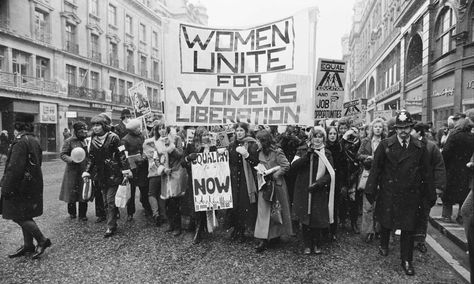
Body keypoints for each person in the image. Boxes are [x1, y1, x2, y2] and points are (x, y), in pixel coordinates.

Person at [365, 110, 435, 276]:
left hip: (410, 194)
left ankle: (407, 260)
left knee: (408, 228)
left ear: (411, 128)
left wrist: (430, 194)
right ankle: (384, 244)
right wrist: (371, 189)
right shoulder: (385, 145)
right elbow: (376, 169)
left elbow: (427, 173)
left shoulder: (419, 147)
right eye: (400, 128)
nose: (403, 131)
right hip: (390, 192)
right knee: (386, 221)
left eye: (406, 128)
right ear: (395, 129)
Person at [1, 121, 51, 259]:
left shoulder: (20, 142)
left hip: (19, 187)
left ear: (16, 129)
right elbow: (38, 162)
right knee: (25, 214)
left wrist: (6, 186)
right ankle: (28, 245)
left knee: (17, 215)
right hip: (31, 184)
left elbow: (14, 168)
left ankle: (41, 240)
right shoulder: (34, 140)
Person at [83, 113, 131, 238]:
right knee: (105, 202)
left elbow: (122, 154)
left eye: (98, 125)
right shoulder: (92, 140)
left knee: (110, 201)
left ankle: (110, 226)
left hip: (114, 173)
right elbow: (91, 158)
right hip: (101, 175)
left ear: (104, 125)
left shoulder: (114, 137)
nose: (95, 127)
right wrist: (87, 171)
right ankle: (112, 222)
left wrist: (125, 170)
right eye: (93, 125)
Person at [291, 126, 335, 254]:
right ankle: (307, 244)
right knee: (306, 217)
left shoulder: (327, 153)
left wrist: (318, 184)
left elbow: (330, 173)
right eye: (315, 136)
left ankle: (317, 243)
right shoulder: (302, 150)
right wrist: (306, 156)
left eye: (320, 136)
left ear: (323, 138)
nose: (317, 139)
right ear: (311, 137)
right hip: (304, 188)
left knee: (317, 217)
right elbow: (293, 166)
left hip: (318, 189)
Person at [254, 130, 292, 253]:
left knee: (276, 211)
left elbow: (286, 165)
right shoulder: (259, 152)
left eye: (258, 141)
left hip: (277, 185)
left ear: (264, 141)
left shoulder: (277, 152)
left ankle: (275, 235)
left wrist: (276, 175)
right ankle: (263, 239)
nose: (256, 143)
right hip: (265, 185)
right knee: (263, 212)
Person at [411, 122, 446, 253]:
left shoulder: (431, 147)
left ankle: (420, 240)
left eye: (412, 130)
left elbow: (439, 167)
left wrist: (438, 187)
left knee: (424, 214)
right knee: (410, 213)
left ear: (419, 132)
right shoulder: (407, 145)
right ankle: (409, 238)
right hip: (411, 186)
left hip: (426, 186)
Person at [182, 127, 217, 244]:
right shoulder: (191, 147)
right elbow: (183, 162)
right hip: (195, 180)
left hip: (209, 180)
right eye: (204, 135)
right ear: (198, 136)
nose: (206, 137)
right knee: (197, 204)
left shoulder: (212, 147)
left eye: (207, 135)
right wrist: (189, 158)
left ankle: (203, 226)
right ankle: (198, 229)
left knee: (206, 204)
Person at [227, 122, 259, 242]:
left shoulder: (251, 144)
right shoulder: (231, 145)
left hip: (246, 177)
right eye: (237, 130)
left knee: (244, 203)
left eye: (241, 130)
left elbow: (255, 162)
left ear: (246, 132)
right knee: (234, 203)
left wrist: (247, 155)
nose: (239, 133)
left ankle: (243, 230)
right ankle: (236, 228)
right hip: (234, 176)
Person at [154, 122, 187, 236]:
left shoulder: (176, 138)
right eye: (159, 129)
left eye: (163, 128)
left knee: (175, 201)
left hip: (175, 173)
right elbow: (156, 159)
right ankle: (171, 224)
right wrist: (162, 169)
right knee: (167, 202)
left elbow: (180, 155)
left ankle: (178, 227)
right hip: (165, 175)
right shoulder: (157, 142)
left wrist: (170, 146)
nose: (162, 131)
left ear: (167, 129)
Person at [357, 118, 387, 243]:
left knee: (380, 205)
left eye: (380, 127)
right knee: (367, 205)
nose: (378, 129)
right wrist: (367, 157)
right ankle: (368, 232)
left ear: (383, 129)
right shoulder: (366, 141)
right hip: (368, 175)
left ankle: (379, 230)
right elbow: (358, 155)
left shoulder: (386, 142)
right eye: (376, 127)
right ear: (372, 129)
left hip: (382, 177)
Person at [441, 115, 474, 224]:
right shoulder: (472, 137)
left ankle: (446, 216)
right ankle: (460, 216)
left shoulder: (454, 136)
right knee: (463, 193)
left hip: (452, 169)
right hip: (466, 169)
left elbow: (446, 152)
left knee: (448, 194)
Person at [121, 118, 152, 221]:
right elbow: (124, 155)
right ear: (132, 130)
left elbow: (145, 149)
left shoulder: (142, 136)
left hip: (142, 165)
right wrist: (126, 169)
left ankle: (147, 208)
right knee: (131, 191)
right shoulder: (125, 140)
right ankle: (130, 212)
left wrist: (144, 157)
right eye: (137, 128)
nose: (139, 129)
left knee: (144, 188)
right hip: (132, 167)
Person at [59, 121, 89, 221]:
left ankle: (82, 214)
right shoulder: (69, 141)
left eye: (85, 130)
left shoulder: (87, 141)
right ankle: (72, 213)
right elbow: (63, 154)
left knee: (83, 192)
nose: (83, 132)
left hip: (84, 170)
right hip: (72, 171)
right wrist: (71, 159)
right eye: (81, 131)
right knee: (71, 192)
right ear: (76, 131)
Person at [325, 126, 346, 241]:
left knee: (334, 206)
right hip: (326, 179)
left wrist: (343, 183)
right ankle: (325, 229)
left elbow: (343, 166)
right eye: (330, 134)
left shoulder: (340, 147)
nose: (332, 136)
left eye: (334, 133)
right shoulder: (325, 148)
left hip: (336, 180)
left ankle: (333, 231)